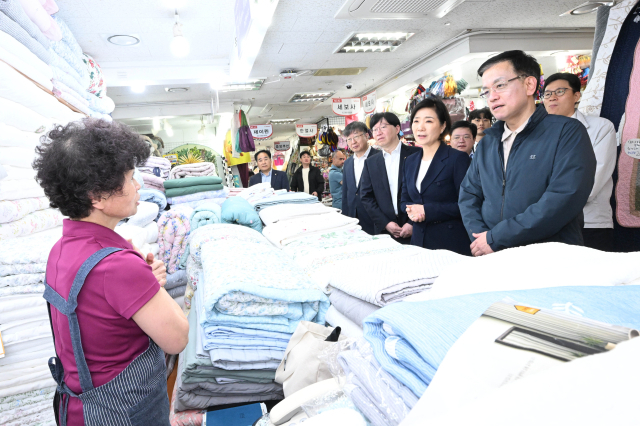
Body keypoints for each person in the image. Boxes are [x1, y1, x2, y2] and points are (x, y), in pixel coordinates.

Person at [33, 119, 189, 426]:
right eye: (130, 178)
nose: (138, 186)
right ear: (97, 196)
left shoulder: (60, 250)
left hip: (77, 410)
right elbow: (177, 338)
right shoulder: (118, 265)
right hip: (125, 414)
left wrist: (142, 282)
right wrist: (150, 285)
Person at [459, 50, 596, 256]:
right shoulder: (488, 142)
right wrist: (482, 237)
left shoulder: (566, 131)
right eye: (486, 91)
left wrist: (497, 237)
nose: (492, 96)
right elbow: (469, 194)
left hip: (550, 257)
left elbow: (563, 198)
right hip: (493, 255)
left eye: (500, 85)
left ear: (529, 85)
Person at [543, 72, 617, 251]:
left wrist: (545, 206)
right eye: (547, 93)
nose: (552, 97)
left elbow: (591, 182)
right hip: (544, 225)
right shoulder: (537, 133)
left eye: (560, 91)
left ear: (577, 95)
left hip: (589, 223)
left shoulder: (600, 128)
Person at [401, 98, 472, 254]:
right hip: (418, 241)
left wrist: (428, 211)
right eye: (416, 121)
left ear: (442, 126)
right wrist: (412, 211)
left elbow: (467, 205)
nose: (420, 127)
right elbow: (404, 200)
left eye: (428, 121)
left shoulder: (456, 159)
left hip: (449, 242)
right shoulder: (410, 161)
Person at [360, 112, 422, 244]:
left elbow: (426, 191)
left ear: (397, 129)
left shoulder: (417, 154)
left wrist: (412, 222)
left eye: (383, 127)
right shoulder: (371, 162)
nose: (378, 132)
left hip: (418, 227)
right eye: (375, 130)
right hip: (385, 232)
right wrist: (385, 223)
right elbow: (366, 196)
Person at [341, 121, 381, 234]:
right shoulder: (348, 163)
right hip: (353, 217)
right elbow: (345, 193)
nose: (353, 142)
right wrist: (345, 219)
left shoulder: (379, 158)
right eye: (349, 139)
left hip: (374, 217)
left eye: (356, 137)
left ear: (367, 135)